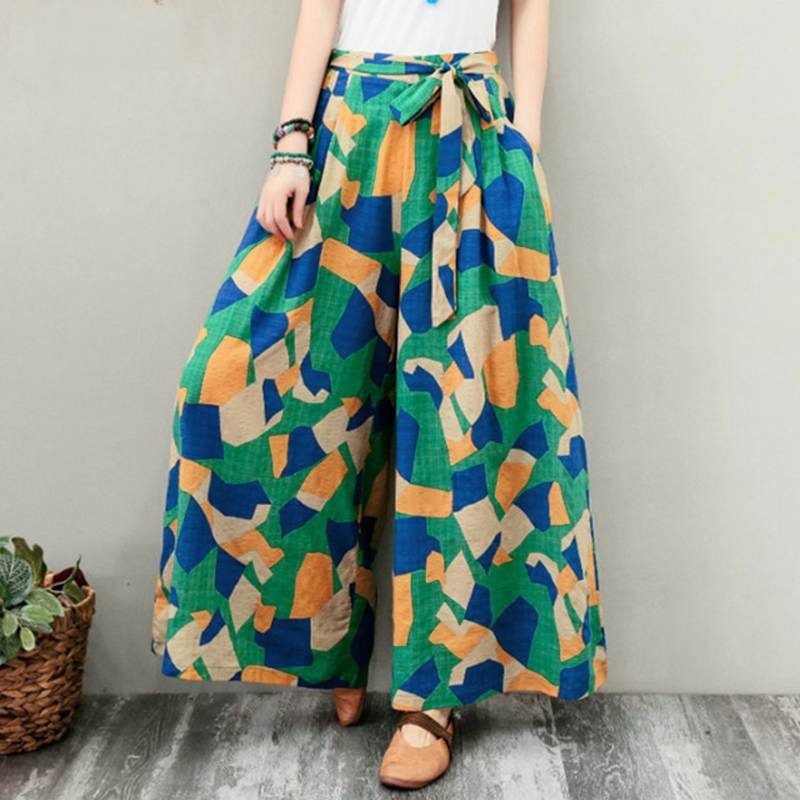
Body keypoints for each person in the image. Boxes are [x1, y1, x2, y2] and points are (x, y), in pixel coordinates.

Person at [150, 0, 608, 790]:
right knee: (249, 383)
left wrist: (524, 143)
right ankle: (326, 648)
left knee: (458, 419)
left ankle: (433, 700)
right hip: (352, 129)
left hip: (470, 135)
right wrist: (292, 145)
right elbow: (320, 9)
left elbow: (529, 7)